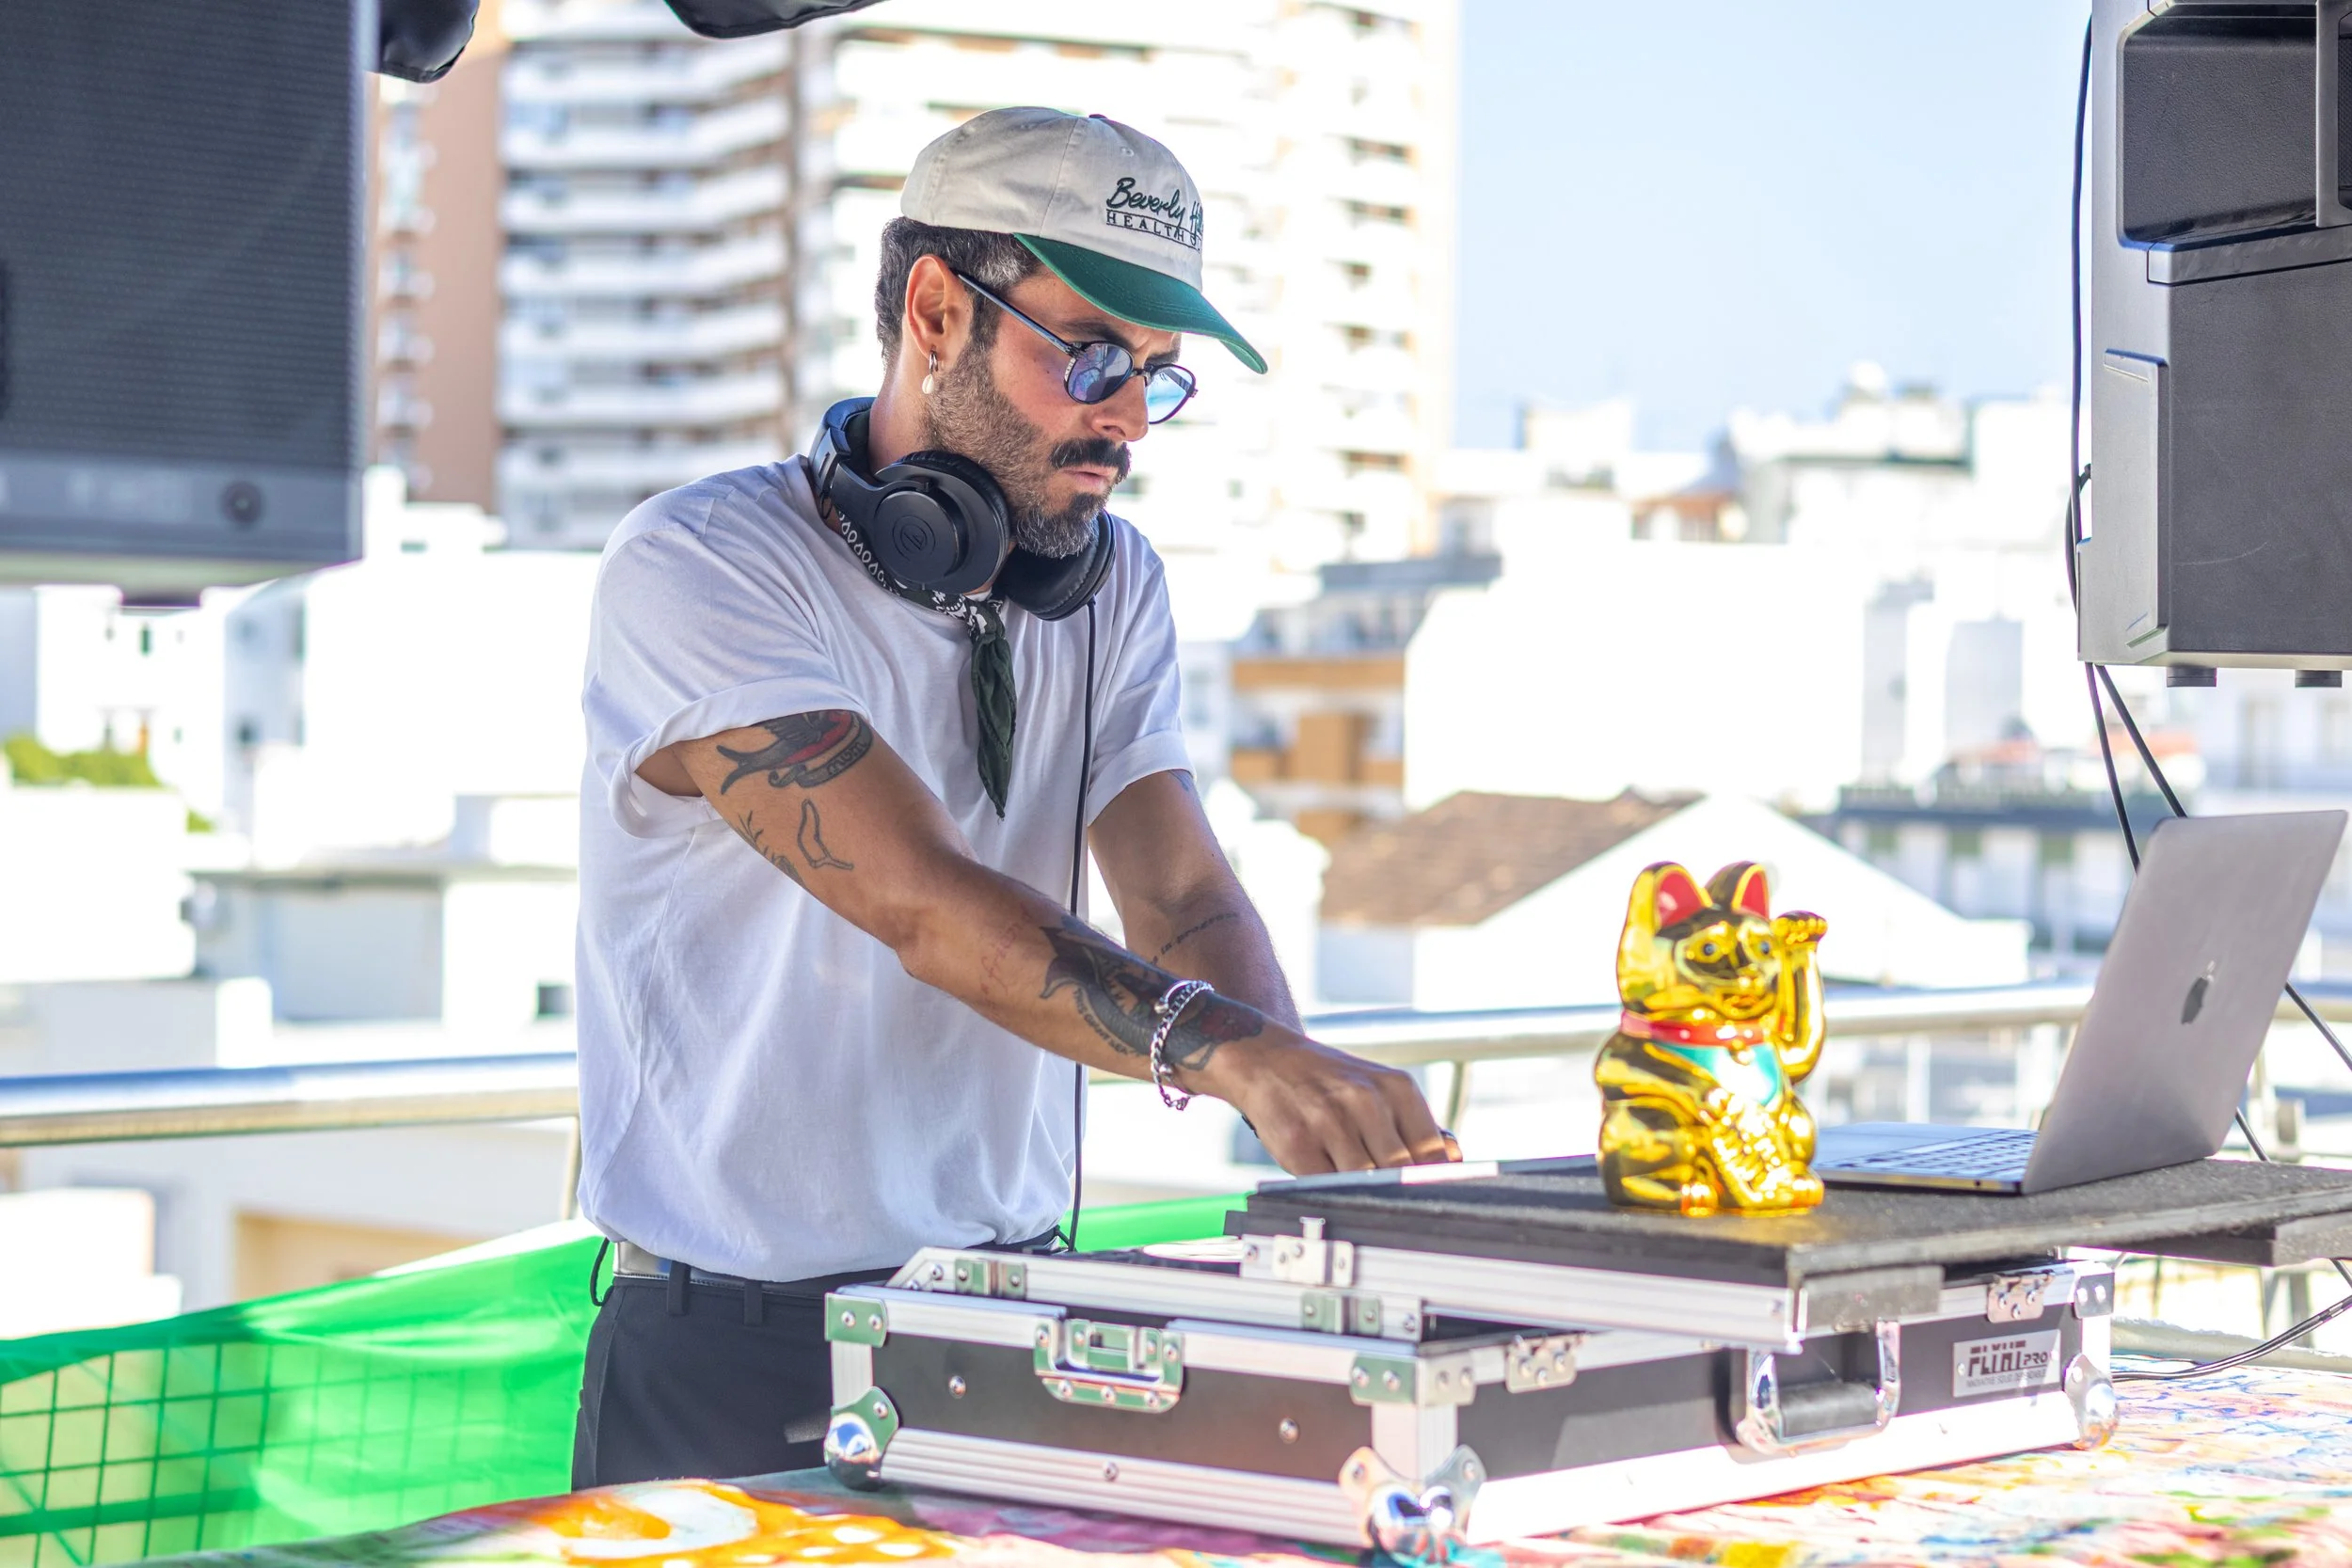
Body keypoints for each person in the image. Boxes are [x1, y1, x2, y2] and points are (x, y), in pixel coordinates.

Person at [570, 106, 1453, 1489]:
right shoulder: (704, 563)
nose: (1123, 419)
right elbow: (923, 904)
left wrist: (1320, 1125)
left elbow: (1182, 894)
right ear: (935, 309)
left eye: (1155, 378)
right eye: (1092, 355)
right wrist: (1221, 1049)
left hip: (1012, 1326)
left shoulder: (1116, 587)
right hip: (735, 1354)